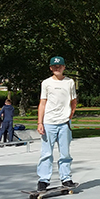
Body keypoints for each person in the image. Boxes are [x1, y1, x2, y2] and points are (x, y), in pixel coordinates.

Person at [36, 56, 78, 191]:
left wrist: (69, 116)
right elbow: (42, 103)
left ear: (64, 67)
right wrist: (40, 122)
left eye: (59, 66)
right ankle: (43, 180)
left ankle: (66, 178)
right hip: (49, 122)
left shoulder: (69, 82)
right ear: (50, 68)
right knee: (46, 153)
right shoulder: (46, 83)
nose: (57, 68)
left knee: (65, 153)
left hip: (64, 123)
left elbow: (73, 101)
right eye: (54, 66)